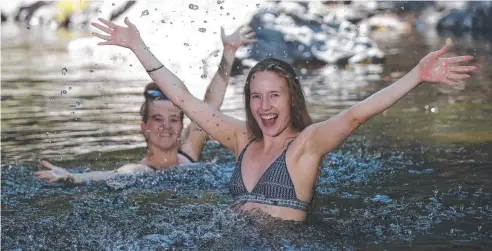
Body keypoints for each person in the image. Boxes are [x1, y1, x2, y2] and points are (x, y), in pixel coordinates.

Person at [91, 17, 477, 221]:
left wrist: (417, 75)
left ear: (291, 98)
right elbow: (184, 99)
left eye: (274, 95)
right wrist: (138, 46)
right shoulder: (242, 139)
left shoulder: (306, 145)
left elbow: (358, 113)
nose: (264, 105)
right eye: (256, 97)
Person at [34, 24, 257, 185]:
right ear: (144, 128)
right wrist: (74, 177)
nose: (166, 126)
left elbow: (211, 107)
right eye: (157, 119)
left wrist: (228, 52)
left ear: (182, 126)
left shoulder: (189, 152)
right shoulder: (140, 171)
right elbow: (109, 176)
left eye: (173, 119)